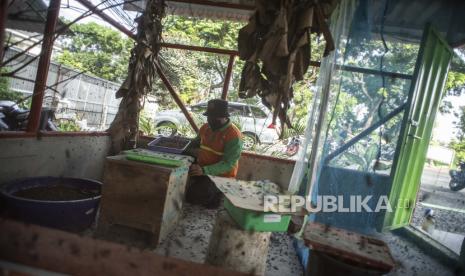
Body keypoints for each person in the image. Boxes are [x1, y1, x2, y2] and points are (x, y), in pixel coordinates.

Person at [185, 99, 243, 208]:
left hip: (220, 176)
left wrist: (203, 171)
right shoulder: (205, 127)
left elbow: (228, 164)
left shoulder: (234, 136)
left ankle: (218, 193)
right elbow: (195, 142)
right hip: (202, 168)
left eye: (215, 117)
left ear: (225, 117)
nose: (211, 120)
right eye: (209, 117)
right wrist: (181, 146)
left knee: (193, 197)